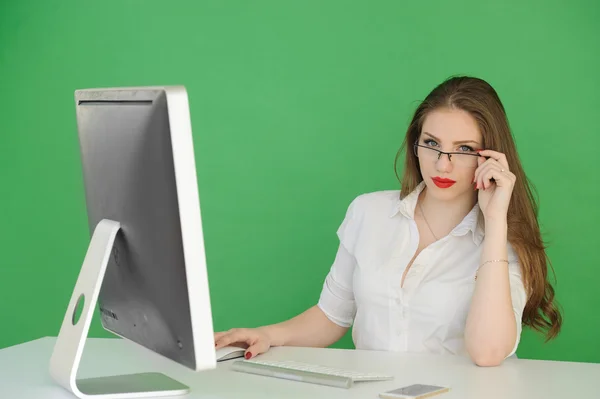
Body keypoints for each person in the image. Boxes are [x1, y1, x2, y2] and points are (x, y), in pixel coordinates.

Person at [214, 76, 562, 367]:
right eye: (431, 143)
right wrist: (268, 335)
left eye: (465, 149)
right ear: (415, 144)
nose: (443, 165)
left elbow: (487, 353)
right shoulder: (369, 212)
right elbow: (332, 315)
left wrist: (496, 221)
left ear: (490, 157)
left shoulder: (503, 243)